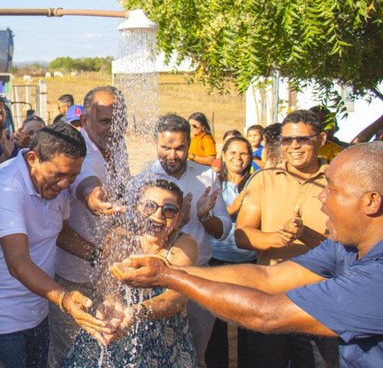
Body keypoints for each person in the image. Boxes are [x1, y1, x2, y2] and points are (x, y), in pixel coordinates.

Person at [112, 142, 383, 368]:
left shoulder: (377, 279)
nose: (322, 197)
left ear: (371, 201)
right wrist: (167, 271)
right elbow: (266, 277)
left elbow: (267, 314)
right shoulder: (344, 246)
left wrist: (168, 276)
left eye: (332, 188)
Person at [0, 122, 107, 368]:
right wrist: (64, 298)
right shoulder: (5, 187)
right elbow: (18, 263)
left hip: (38, 313)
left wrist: (100, 257)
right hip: (0, 321)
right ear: (32, 158)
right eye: (58, 175)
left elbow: (60, 233)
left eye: (72, 177)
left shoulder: (53, 184)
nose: (65, 184)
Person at [234, 109, 336, 367]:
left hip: (320, 299)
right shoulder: (264, 179)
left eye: (303, 139)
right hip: (271, 297)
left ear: (321, 139)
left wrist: (306, 235)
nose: (294, 146)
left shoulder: (337, 182)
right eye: (287, 140)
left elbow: (348, 248)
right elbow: (242, 236)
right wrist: (276, 238)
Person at [62, 179, 199, 367]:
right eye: (150, 206)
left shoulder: (184, 246)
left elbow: (177, 298)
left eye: (169, 210)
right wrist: (112, 299)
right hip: (117, 330)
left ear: (178, 218)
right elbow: (107, 284)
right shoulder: (121, 237)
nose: (158, 215)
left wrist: (136, 312)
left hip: (163, 340)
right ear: (136, 209)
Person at [131, 113, 231, 367]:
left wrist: (204, 216)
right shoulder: (140, 182)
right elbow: (131, 230)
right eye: (166, 148)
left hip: (196, 278)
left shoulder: (207, 177)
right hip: (149, 283)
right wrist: (175, 222)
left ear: (189, 144)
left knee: (194, 356)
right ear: (156, 144)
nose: (172, 155)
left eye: (179, 148)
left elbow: (221, 231)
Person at [48, 86, 131, 367]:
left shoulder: (117, 147)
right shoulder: (78, 151)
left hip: (108, 275)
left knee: (105, 352)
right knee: (71, 355)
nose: (114, 128)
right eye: (106, 121)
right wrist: (95, 200)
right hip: (74, 279)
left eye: (120, 121)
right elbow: (88, 184)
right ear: (84, 121)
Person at [205, 136, 258, 367]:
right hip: (216, 260)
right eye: (232, 153)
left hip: (249, 261)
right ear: (224, 155)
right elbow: (208, 216)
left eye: (244, 153)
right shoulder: (213, 182)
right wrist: (234, 207)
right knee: (216, 324)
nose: (238, 158)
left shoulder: (257, 183)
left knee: (249, 323)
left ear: (251, 156)